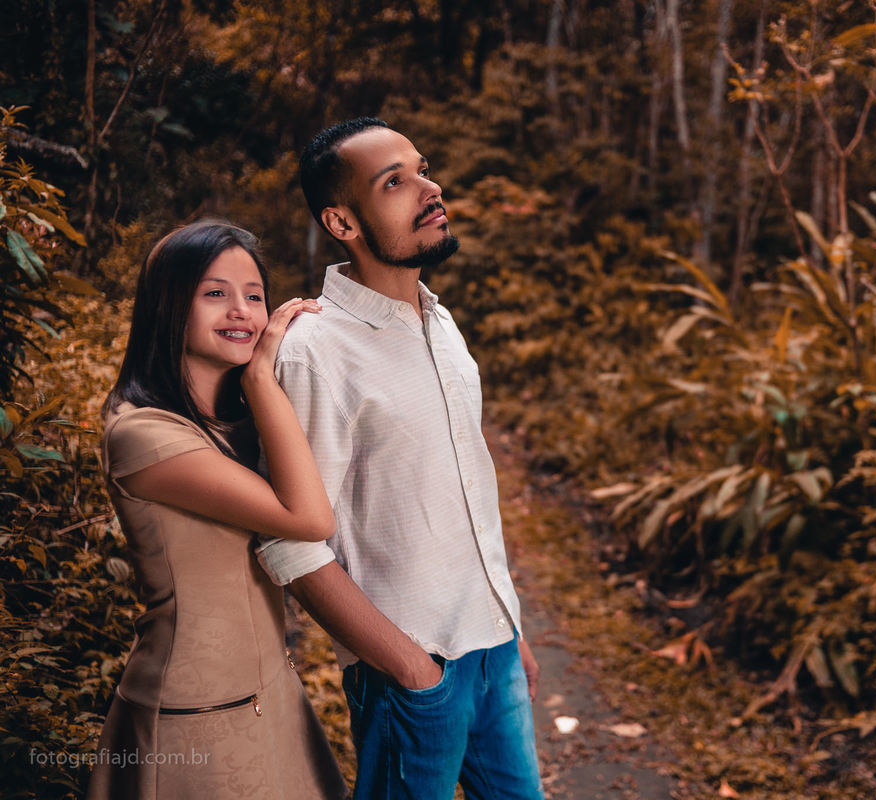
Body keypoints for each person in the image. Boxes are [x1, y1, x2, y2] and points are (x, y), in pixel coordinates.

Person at [254, 117, 543, 800]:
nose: (429, 188)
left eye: (422, 168)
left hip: (494, 654)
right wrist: (411, 670)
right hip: (413, 675)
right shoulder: (316, 350)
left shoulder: (439, 321)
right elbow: (293, 545)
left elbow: (466, 496)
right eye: (395, 182)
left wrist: (509, 629)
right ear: (342, 221)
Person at [86, 221, 348, 800]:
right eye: (215, 293)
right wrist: (259, 375)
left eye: (254, 295)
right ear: (168, 303)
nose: (242, 312)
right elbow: (311, 519)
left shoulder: (229, 424)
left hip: (271, 691)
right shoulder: (145, 433)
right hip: (194, 713)